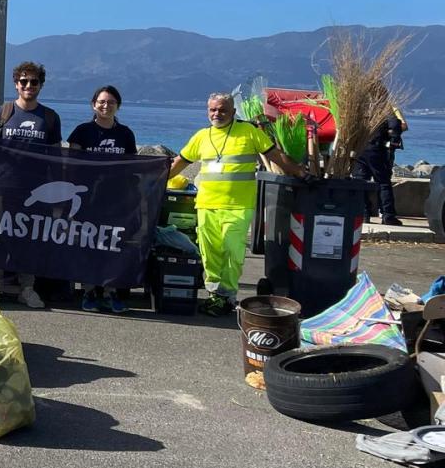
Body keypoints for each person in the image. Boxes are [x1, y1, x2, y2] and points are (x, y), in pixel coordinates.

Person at [168, 93, 307, 317]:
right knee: (209, 251)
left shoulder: (249, 132)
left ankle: (227, 295)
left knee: (232, 250)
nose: (217, 114)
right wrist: (155, 179)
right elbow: (180, 162)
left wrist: (300, 172)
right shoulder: (202, 136)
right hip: (207, 205)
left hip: (237, 206)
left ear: (233, 112)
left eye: (222, 110)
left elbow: (275, 155)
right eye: (213, 110)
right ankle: (215, 295)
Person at [0, 61, 64, 309]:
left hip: (36, 190)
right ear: (16, 84)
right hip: (2, 186)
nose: (28, 86)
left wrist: (58, 191)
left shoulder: (50, 117)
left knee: (29, 236)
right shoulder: (2, 113)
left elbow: (57, 158)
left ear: (41, 85)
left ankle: (27, 288)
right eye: (23, 81)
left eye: (34, 82)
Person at [67, 85, 138, 313]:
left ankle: (111, 291)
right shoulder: (81, 131)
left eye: (111, 102)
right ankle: (89, 291)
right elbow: (72, 164)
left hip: (117, 199)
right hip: (87, 198)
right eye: (101, 102)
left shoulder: (125, 134)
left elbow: (132, 165)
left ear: (118, 106)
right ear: (93, 104)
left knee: (113, 245)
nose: (105, 106)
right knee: (88, 244)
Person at [353, 103, 408, 226]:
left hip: (360, 149)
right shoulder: (383, 108)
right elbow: (396, 124)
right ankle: (388, 215)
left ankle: (363, 214)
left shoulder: (359, 107)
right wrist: (394, 140)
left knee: (361, 182)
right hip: (376, 149)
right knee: (383, 182)